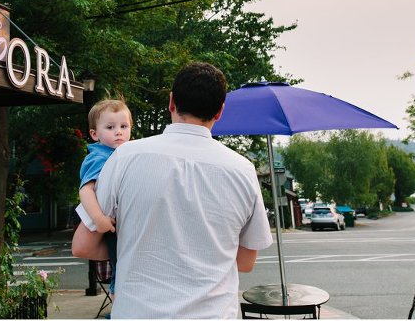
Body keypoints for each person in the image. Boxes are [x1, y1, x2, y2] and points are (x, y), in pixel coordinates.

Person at [72, 62, 273, 319]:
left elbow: (82, 246)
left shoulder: (123, 158)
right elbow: (245, 263)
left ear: (171, 102)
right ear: (220, 112)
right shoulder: (242, 169)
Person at [75, 99, 132, 294]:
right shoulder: (100, 157)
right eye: (110, 127)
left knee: (122, 265)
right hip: (108, 222)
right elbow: (86, 190)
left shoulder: (122, 155)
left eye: (124, 126)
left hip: (116, 221)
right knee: (121, 271)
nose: (119, 131)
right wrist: (99, 219)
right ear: (94, 134)